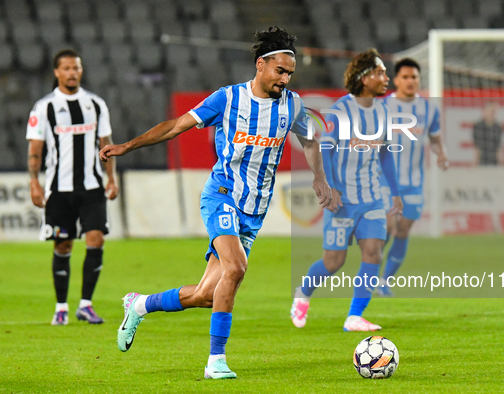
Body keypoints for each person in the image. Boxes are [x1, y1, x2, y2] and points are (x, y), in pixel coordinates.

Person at [99, 26, 332, 380]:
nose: (285, 79)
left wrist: (319, 177)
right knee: (236, 269)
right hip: (221, 195)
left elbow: (311, 141)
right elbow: (176, 126)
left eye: (290, 73)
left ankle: (140, 304)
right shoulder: (227, 99)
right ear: (260, 65)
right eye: (280, 71)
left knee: (209, 294)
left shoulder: (294, 105)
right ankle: (215, 361)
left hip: (254, 210)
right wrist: (127, 147)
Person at [290, 48, 403, 332]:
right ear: (365, 78)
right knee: (333, 262)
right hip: (342, 199)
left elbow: (386, 154)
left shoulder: (384, 112)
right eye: (380, 72)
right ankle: (303, 293)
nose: (386, 77)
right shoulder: (342, 111)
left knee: (373, 251)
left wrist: (396, 192)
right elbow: (325, 149)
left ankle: (354, 316)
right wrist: (331, 187)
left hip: (371, 198)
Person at [26, 49, 118, 326]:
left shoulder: (95, 104)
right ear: (57, 72)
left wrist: (111, 178)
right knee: (63, 244)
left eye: (76, 68)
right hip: (58, 189)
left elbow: (106, 144)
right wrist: (34, 182)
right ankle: (61, 307)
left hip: (91, 187)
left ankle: (86, 305)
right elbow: (35, 149)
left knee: (96, 239)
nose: (72, 72)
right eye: (66, 68)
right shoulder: (44, 107)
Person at [377, 58, 449, 296]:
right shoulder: (383, 107)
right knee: (388, 227)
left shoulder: (429, 109)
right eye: (405, 77)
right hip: (386, 182)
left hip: (415, 183)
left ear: (419, 80)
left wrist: (442, 154)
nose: (410, 81)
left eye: (414, 77)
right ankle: (371, 267)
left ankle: (384, 280)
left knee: (404, 229)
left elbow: (436, 139)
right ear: (396, 80)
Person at [473, 101, 502, 165]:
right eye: (491, 111)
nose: (492, 114)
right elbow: (477, 147)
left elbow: (498, 148)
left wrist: (500, 163)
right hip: (482, 161)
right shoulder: (478, 126)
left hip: (494, 162)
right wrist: (475, 163)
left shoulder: (498, 127)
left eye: (494, 111)